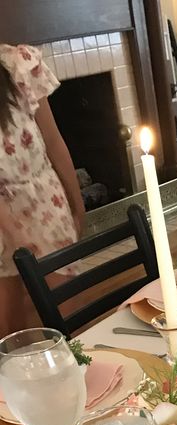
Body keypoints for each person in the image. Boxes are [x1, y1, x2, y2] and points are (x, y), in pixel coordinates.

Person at [0, 43, 84, 336]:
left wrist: (77, 202)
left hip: (45, 200)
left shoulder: (20, 63)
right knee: (10, 332)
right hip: (2, 213)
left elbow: (53, 139)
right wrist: (14, 231)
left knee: (67, 312)